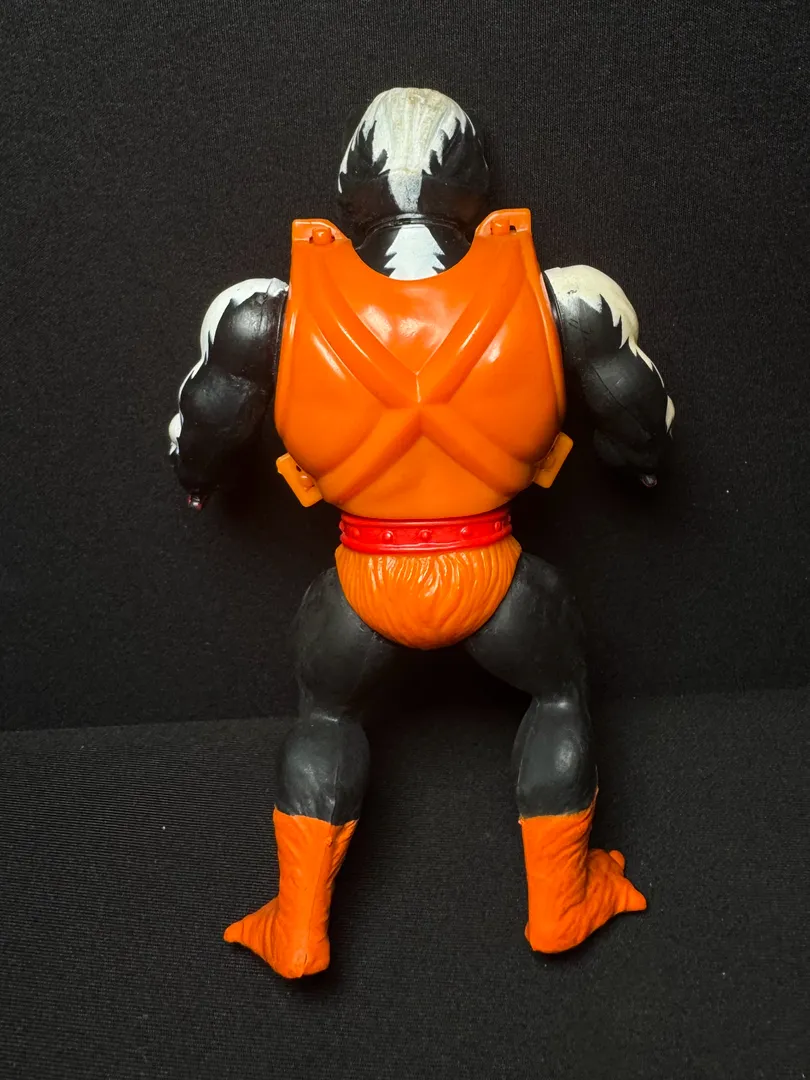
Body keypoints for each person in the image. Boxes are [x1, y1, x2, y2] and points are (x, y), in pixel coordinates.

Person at [168, 87, 673, 978]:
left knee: (324, 715)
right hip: (495, 574)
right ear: (475, 186)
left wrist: (202, 487)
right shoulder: (566, 298)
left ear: (346, 190)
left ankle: (298, 928)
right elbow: (641, 423)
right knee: (559, 697)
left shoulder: (263, 311)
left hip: (362, 581)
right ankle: (562, 904)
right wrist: (644, 470)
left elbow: (200, 436)